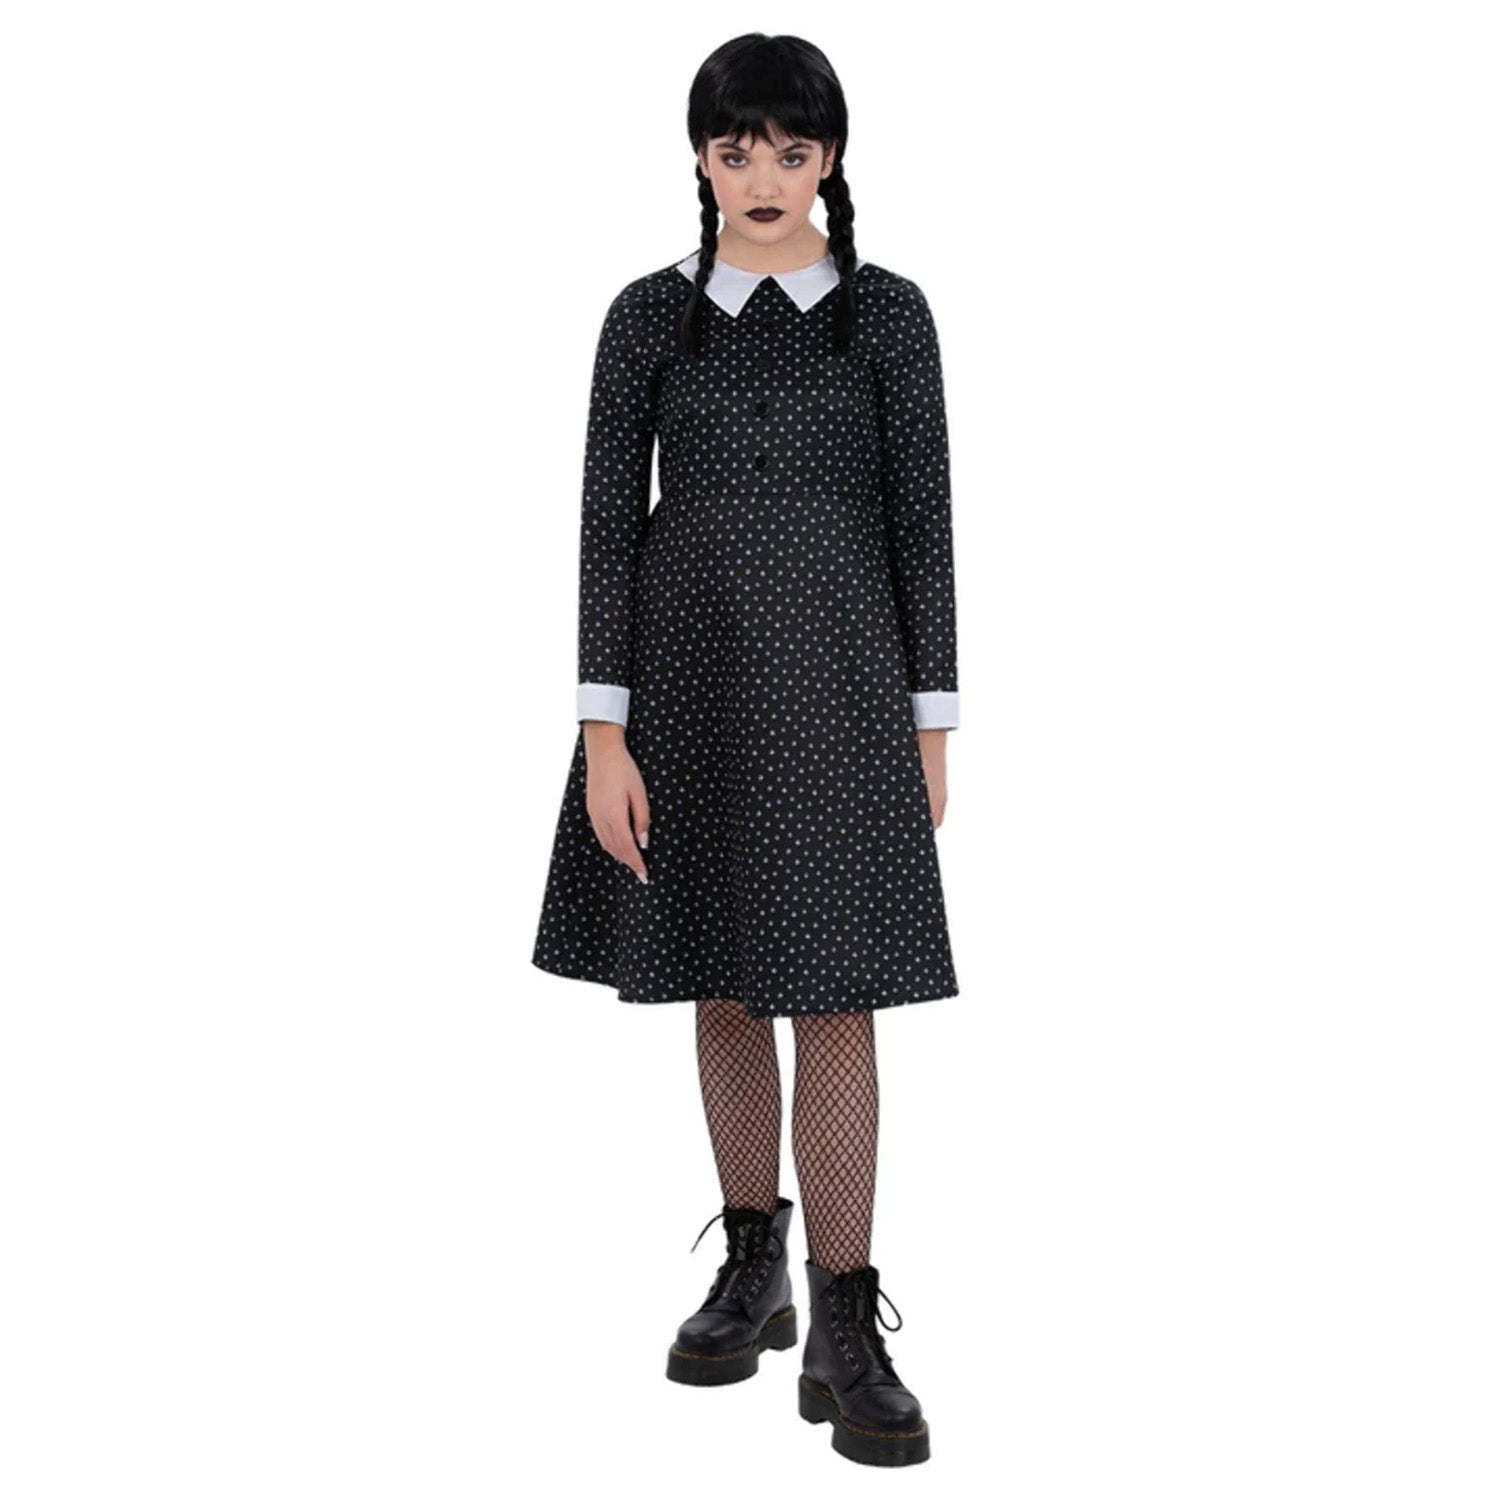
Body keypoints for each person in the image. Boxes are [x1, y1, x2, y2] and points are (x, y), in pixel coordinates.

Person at [531, 32, 959, 1468]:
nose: (763, 175)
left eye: (791, 148)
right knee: (720, 974)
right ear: (700, 157)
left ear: (830, 157)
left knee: (836, 994)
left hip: (844, 691)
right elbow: (605, 525)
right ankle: (751, 1263)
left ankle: (845, 1315)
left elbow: (925, 524)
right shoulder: (648, 318)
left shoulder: (886, 317)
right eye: (735, 148)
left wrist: (932, 722)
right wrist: (603, 732)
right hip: (689, 689)